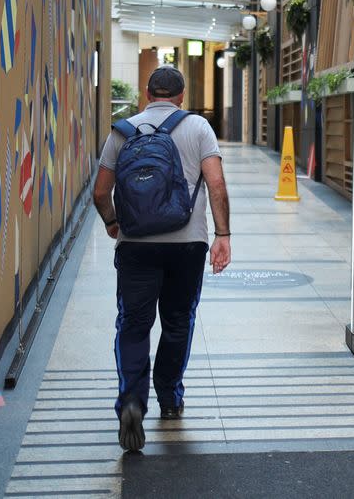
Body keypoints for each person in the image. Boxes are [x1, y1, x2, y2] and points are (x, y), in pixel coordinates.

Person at [92, 66, 231, 452]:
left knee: (133, 325)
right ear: (182, 96)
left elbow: (101, 191)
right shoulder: (198, 128)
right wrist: (223, 235)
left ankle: (132, 402)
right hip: (187, 244)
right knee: (177, 322)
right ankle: (169, 397)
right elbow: (216, 184)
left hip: (136, 246)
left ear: (147, 93)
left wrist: (114, 223)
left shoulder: (122, 132)